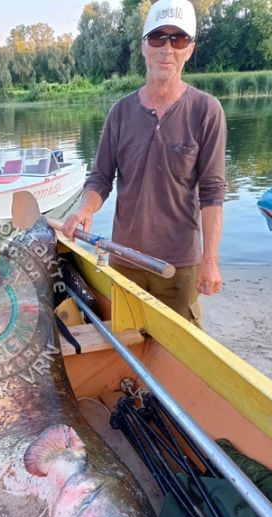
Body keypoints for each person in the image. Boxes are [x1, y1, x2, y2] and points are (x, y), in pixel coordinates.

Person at [62, 0, 227, 326]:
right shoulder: (120, 113)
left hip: (178, 267)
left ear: (189, 50)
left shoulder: (206, 111)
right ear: (143, 47)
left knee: (181, 357)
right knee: (127, 345)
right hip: (124, 261)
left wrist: (210, 261)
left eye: (177, 39)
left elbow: (212, 193)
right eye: (157, 38)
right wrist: (84, 209)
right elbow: (100, 178)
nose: (167, 49)